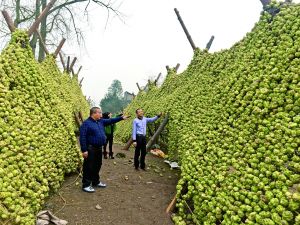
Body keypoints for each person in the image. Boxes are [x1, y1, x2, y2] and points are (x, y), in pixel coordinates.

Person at [80, 107, 128, 193]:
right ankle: (86, 185)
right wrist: (84, 150)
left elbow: (110, 121)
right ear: (94, 113)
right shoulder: (86, 124)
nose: (101, 115)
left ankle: (95, 181)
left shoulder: (101, 121)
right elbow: (82, 137)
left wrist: (121, 118)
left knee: (98, 165)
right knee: (89, 166)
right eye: (100, 113)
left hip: (99, 148)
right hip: (90, 148)